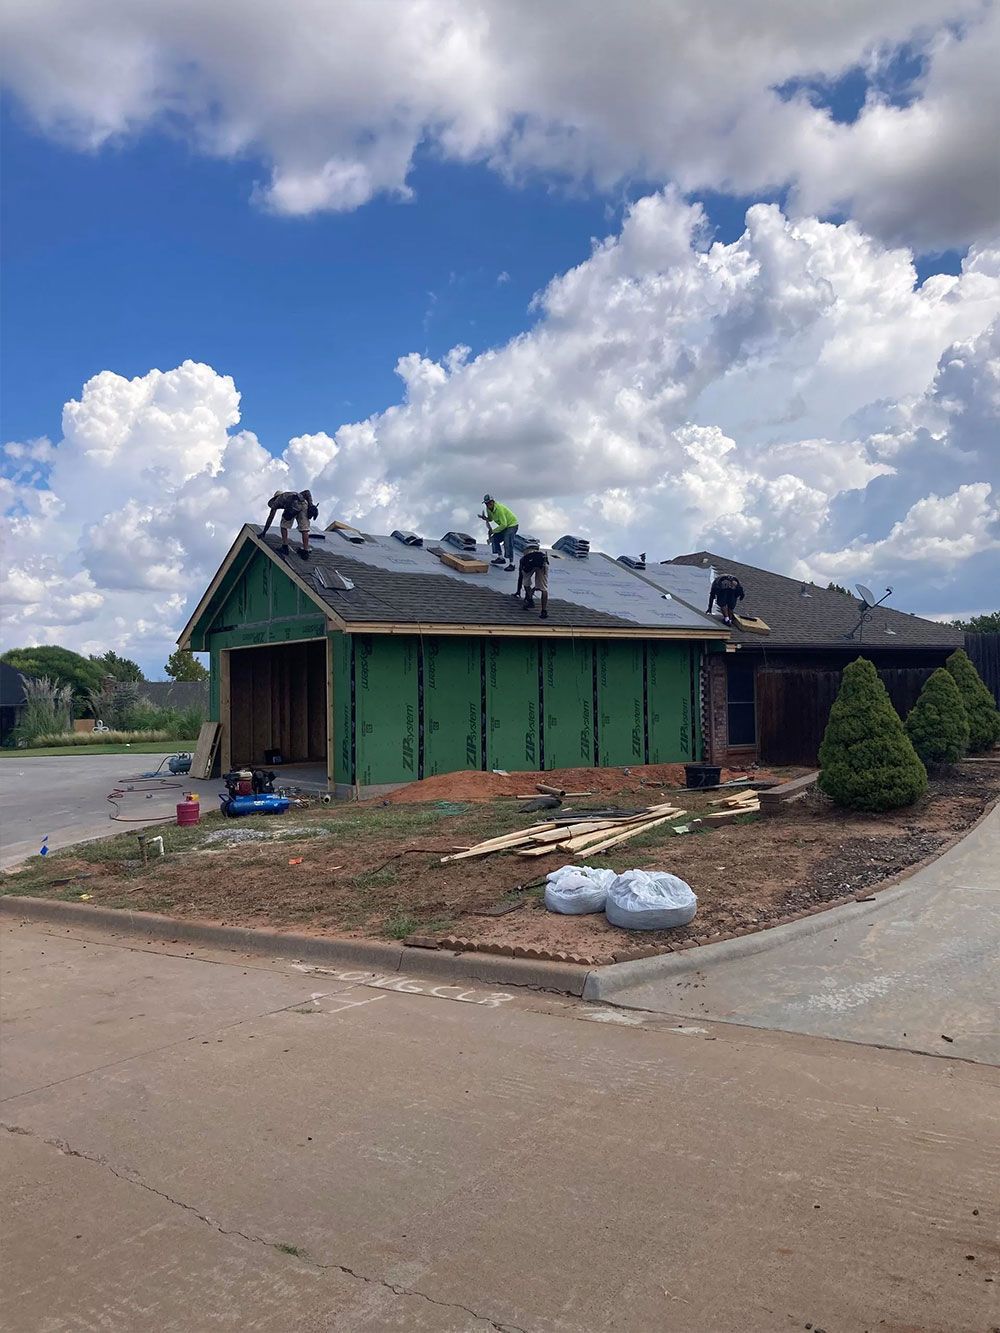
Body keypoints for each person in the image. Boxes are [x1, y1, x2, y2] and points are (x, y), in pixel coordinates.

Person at [262, 489, 318, 559]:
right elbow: (307, 492)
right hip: (303, 504)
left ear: (276, 498)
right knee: (304, 529)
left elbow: (271, 517)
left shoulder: (278, 500)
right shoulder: (292, 494)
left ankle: (285, 547)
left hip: (292, 505)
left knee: (283, 525)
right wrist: (311, 505)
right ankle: (305, 551)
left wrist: (264, 531)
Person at [479, 495, 518, 570]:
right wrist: (485, 518)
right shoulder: (488, 509)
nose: (488, 505)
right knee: (494, 538)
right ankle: (501, 558)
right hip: (505, 526)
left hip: (512, 525)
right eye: (486, 504)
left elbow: (504, 524)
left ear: (493, 502)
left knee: (508, 541)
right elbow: (491, 519)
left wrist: (493, 531)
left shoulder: (499, 509)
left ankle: (512, 564)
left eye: (489, 503)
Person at [514, 542, 550, 618]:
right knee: (543, 588)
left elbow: (521, 577)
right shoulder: (541, 555)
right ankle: (544, 611)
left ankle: (530, 601)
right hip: (542, 564)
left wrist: (518, 591)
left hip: (534, 565)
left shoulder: (524, 559)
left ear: (525, 551)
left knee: (526, 582)